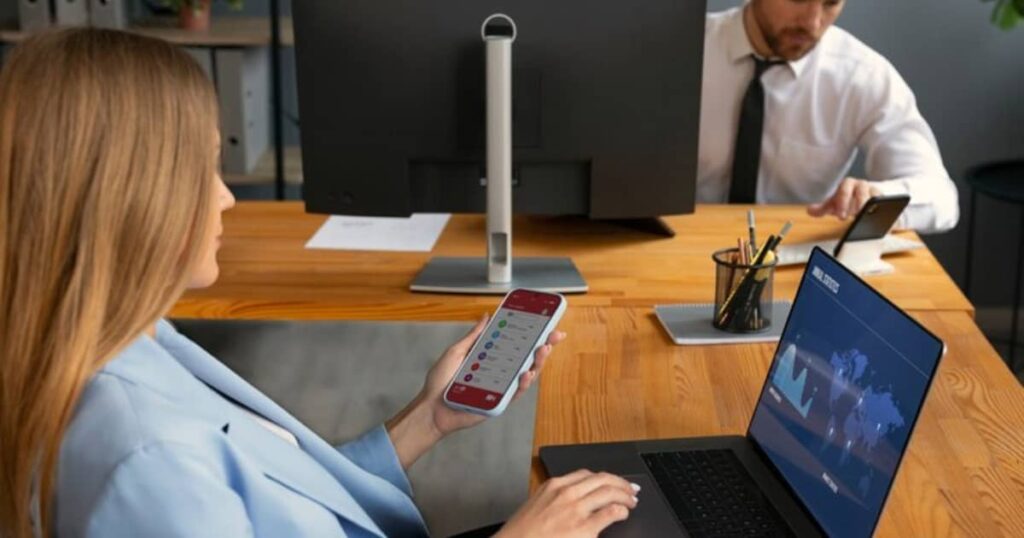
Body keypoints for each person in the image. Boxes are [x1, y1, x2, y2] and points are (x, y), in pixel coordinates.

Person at [0, 30, 640, 538]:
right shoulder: (143, 461)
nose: (226, 199)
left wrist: (429, 418)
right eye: (203, 171)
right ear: (129, 199)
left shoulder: (135, 343)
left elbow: (287, 502)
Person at [698, 0, 959, 234]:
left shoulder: (862, 75)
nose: (812, 22)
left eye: (831, 3)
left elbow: (942, 199)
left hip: (793, 255)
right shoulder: (681, 49)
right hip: (680, 242)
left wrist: (878, 197)